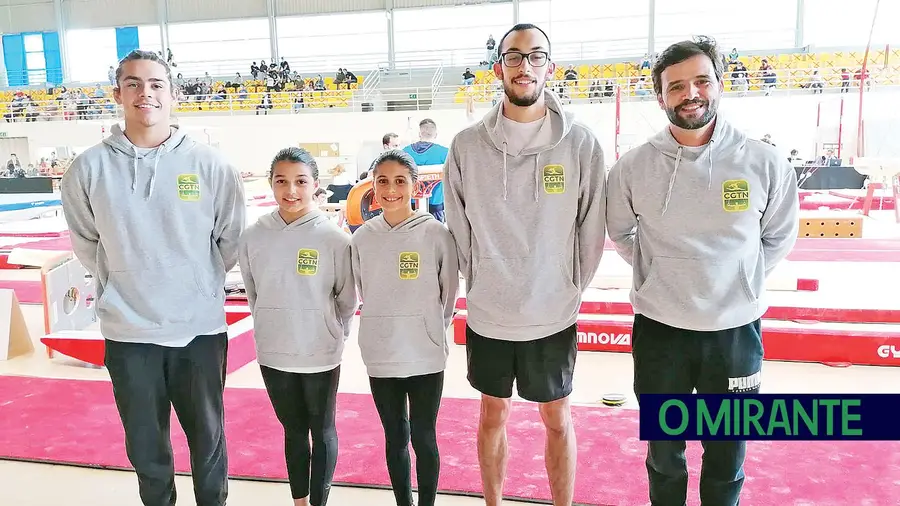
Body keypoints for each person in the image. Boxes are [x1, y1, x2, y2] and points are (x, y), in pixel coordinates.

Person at [605, 37, 799, 506]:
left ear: (718, 85)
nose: (690, 93)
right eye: (676, 86)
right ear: (659, 97)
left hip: (734, 333)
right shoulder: (633, 168)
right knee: (665, 454)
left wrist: (736, 280)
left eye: (701, 81)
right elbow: (621, 233)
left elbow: (778, 237)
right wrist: (663, 276)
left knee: (727, 452)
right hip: (660, 332)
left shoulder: (763, 162)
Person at [59, 49, 246, 506]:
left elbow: (230, 239)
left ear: (173, 93)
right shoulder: (87, 169)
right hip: (129, 332)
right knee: (147, 450)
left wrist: (195, 285)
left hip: (198, 328)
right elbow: (87, 242)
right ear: (117, 93)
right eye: (134, 84)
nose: (146, 93)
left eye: (156, 84)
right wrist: (126, 281)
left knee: (208, 445)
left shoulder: (210, 165)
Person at [443, 23, 607, 506]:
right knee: (492, 415)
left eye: (536, 56)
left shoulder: (581, 145)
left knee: (558, 419)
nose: (525, 66)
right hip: (491, 311)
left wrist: (566, 286)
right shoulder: (467, 146)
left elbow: (591, 229)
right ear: (499, 69)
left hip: (552, 311)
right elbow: (459, 227)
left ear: (550, 68)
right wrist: (484, 281)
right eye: (514, 57)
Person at [238, 147, 357, 506]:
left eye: (301, 182)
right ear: (270, 185)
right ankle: (299, 501)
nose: (291, 190)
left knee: (321, 431)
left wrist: (332, 332)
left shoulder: (335, 239)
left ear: (315, 185)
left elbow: (347, 299)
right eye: (282, 182)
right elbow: (253, 292)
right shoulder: (254, 236)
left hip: (320, 350)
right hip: (274, 351)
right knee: (292, 430)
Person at [350, 149, 459, 506]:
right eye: (383, 181)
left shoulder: (436, 234)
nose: (391, 189)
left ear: (414, 187)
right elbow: (365, 289)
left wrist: (426, 329)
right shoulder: (363, 238)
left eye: (400, 181)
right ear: (373, 187)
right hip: (382, 354)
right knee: (394, 436)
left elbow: (448, 297)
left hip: (425, 354)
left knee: (424, 436)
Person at [402, 119, 449, 222]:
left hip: (411, 203)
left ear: (419, 134)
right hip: (436, 203)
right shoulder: (445, 153)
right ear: (436, 134)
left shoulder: (405, 152)